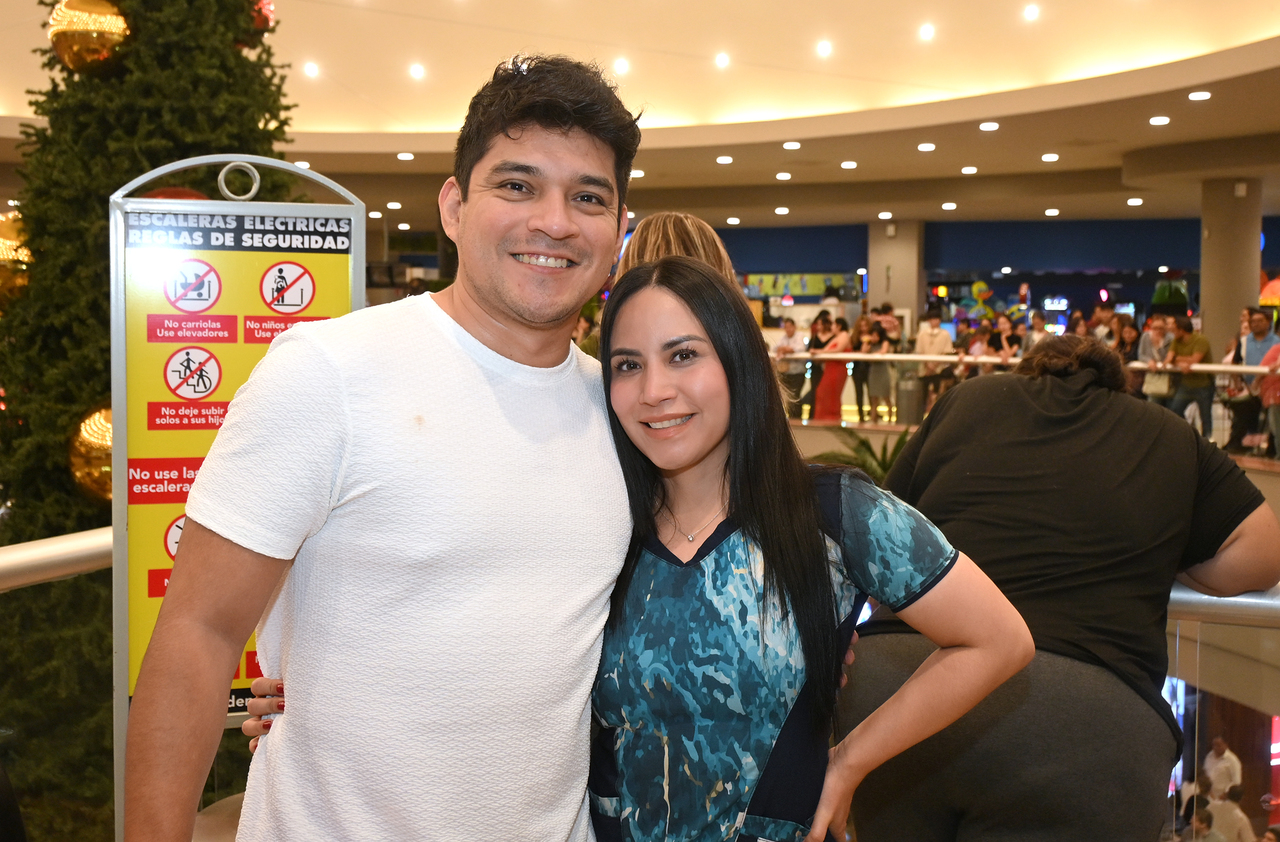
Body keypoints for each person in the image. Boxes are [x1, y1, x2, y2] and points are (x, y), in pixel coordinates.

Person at [125, 54, 643, 841]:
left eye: (588, 197)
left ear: (618, 228)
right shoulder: (328, 372)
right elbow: (198, 635)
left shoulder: (622, 410)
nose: (554, 221)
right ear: (454, 206)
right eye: (516, 185)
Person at [589, 255, 1031, 841]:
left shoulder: (833, 512)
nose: (654, 391)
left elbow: (997, 640)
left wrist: (849, 762)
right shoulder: (601, 524)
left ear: (738, 361)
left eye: (683, 355)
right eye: (628, 365)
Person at [840, 334, 1280, 842]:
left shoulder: (967, 400)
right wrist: (1173, 557)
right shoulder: (1169, 433)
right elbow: (1264, 552)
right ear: (1119, 384)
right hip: (1085, 724)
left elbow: (883, 530)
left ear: (1031, 371)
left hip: (898, 692)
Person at [1227, 308, 1279, 453]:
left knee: (1272, 420)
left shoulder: (1277, 342)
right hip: (1248, 389)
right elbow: (1235, 363)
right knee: (1242, 414)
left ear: (1268, 322)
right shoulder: (1243, 341)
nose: (1256, 324)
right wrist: (1237, 383)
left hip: (1271, 389)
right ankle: (1237, 445)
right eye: (1253, 321)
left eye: (1260, 321)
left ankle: (1271, 450)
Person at [1166, 315, 1216, 439]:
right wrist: (1179, 362)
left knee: (1205, 415)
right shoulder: (1176, 341)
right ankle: (1189, 433)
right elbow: (1168, 359)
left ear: (1181, 330)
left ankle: (1207, 440)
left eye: (1174, 329)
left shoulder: (1201, 340)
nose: (1172, 332)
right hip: (1186, 384)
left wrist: (1176, 359)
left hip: (1204, 384)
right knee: (1175, 409)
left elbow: (1195, 359)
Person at [915, 308, 957, 411]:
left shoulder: (945, 334)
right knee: (923, 396)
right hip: (924, 370)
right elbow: (920, 351)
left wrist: (934, 365)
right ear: (928, 321)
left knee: (938, 395)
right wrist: (928, 365)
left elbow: (946, 351)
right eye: (932, 319)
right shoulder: (922, 334)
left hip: (939, 370)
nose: (934, 321)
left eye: (936, 319)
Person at [813, 316, 853, 420]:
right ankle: (823, 418)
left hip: (837, 369)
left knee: (831, 394)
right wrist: (819, 351)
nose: (832, 327)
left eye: (834, 325)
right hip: (829, 369)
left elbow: (839, 349)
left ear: (839, 326)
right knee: (822, 392)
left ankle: (832, 418)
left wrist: (818, 351)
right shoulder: (836, 337)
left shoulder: (844, 335)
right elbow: (825, 349)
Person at [774, 316, 809, 417]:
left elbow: (799, 348)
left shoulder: (800, 336)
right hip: (787, 373)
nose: (788, 329)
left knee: (795, 395)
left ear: (794, 327)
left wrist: (786, 349)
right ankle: (791, 418)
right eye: (786, 327)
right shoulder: (784, 338)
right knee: (788, 397)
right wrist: (785, 349)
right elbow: (776, 348)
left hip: (798, 372)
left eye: (790, 327)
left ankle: (797, 418)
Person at [862, 320, 893, 420]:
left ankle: (890, 419)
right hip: (873, 371)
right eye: (873, 335)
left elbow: (883, 351)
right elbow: (863, 351)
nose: (874, 337)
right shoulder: (870, 344)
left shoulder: (885, 342)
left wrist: (873, 354)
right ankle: (873, 419)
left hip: (883, 371)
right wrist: (867, 341)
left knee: (886, 397)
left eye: (876, 335)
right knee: (874, 399)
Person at [849, 315, 874, 421]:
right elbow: (851, 351)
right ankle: (861, 416)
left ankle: (873, 414)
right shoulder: (854, 337)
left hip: (869, 367)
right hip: (857, 367)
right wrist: (861, 352)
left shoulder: (873, 337)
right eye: (861, 326)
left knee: (871, 392)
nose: (863, 328)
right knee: (859, 393)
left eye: (865, 326)